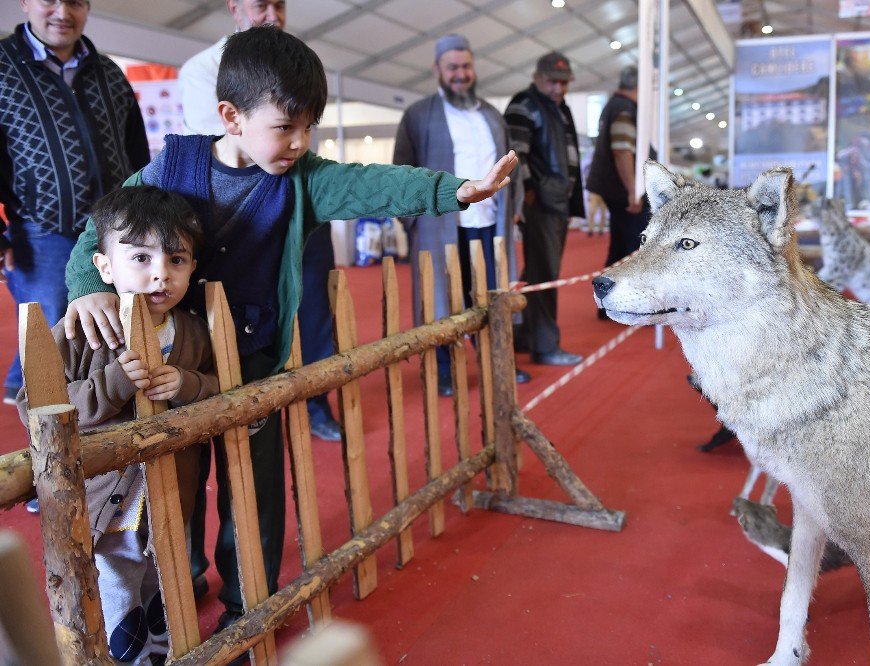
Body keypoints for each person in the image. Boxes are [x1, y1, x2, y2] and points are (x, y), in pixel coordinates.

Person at [62, 26, 516, 638]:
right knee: (181, 480)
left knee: (255, 498)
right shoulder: (176, 163)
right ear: (231, 115)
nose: (300, 142)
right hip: (176, 363)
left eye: (309, 127)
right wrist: (84, 287)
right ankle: (184, 577)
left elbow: (369, 183)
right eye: (285, 127)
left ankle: (251, 603)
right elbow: (104, 225)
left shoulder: (304, 178)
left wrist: (455, 190)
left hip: (251, 365)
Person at [17, 186, 218, 664]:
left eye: (176, 260)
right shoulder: (78, 331)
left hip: (169, 497)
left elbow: (219, 394)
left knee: (162, 583)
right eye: (141, 257)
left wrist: (187, 384)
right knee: (115, 589)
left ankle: (161, 653)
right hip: (105, 506)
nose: (159, 275)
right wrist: (110, 384)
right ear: (105, 267)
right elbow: (35, 408)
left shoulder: (191, 331)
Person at [178, 1, 340, 441]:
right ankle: (240, 396)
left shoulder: (300, 61)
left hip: (296, 197)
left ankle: (317, 399)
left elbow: (300, 147)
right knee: (243, 314)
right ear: (235, 6)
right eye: (260, 2)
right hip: (243, 209)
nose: (272, 10)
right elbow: (211, 150)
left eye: (280, 2)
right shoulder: (201, 69)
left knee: (315, 306)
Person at [0, 0, 149, 406]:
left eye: (77, 2)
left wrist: (146, 213)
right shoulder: (2, 67)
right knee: (51, 330)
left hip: (112, 228)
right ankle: (47, 419)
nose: (63, 11)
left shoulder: (109, 72)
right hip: (41, 228)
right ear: (25, 3)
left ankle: (89, 410)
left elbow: (136, 151)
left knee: (110, 322)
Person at [393, 34, 529, 396]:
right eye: (452, 67)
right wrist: (414, 223)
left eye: (466, 66)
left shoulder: (490, 115)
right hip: (441, 228)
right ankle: (443, 372)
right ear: (437, 70)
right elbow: (400, 172)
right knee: (443, 300)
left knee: (491, 296)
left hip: (489, 225)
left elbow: (512, 168)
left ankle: (497, 362)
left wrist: (511, 212)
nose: (461, 74)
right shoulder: (418, 115)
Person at [505, 52, 585, 366]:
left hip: (556, 202)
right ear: (537, 77)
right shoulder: (524, 104)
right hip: (542, 204)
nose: (559, 88)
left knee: (537, 274)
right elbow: (514, 155)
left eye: (563, 82)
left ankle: (524, 336)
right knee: (544, 275)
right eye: (553, 81)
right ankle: (545, 345)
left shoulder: (556, 107)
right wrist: (530, 196)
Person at [585, 65, 651, 318]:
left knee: (620, 246)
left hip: (613, 189)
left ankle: (610, 304)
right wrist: (633, 192)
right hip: (623, 191)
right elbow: (622, 151)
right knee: (631, 247)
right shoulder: (624, 108)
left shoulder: (615, 105)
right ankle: (619, 304)